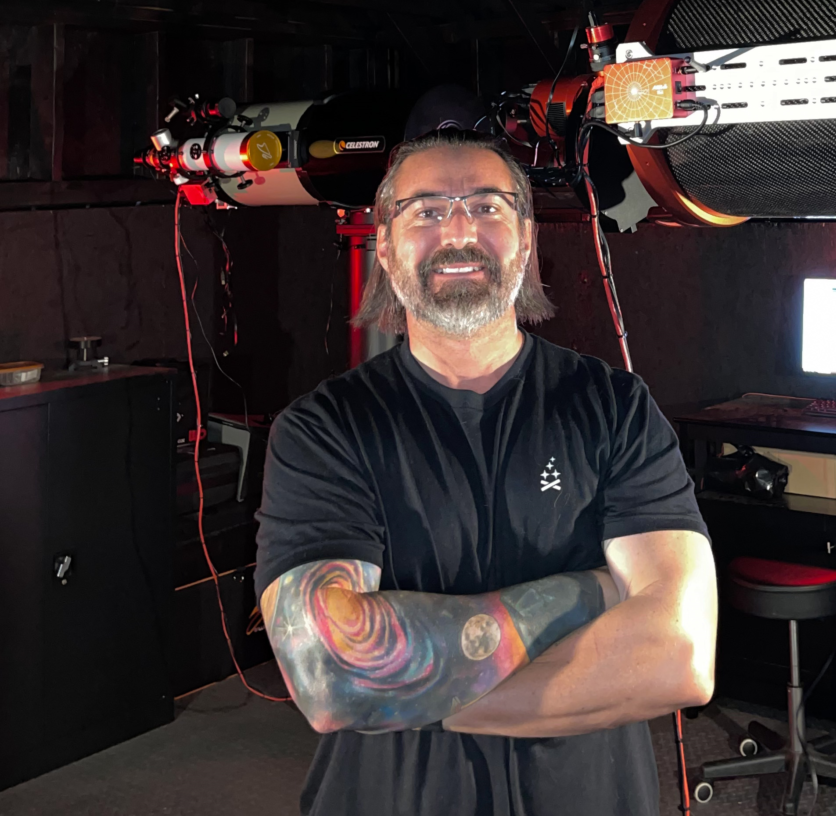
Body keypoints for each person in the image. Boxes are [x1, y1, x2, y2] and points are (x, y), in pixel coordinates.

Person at [255, 128, 717, 816]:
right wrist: (596, 594)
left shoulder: (614, 406)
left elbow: (680, 656)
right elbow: (330, 678)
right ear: (385, 245)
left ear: (526, 238)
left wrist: (411, 691)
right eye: (427, 210)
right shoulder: (322, 429)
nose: (459, 231)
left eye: (486, 206)